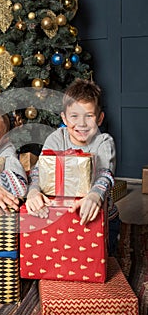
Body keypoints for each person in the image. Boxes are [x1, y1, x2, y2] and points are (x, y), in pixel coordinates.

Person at [26, 78, 121, 256]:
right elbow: (39, 170)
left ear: (99, 118)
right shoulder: (56, 138)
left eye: (89, 116)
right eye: (74, 116)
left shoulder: (103, 142)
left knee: (97, 260)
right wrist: (33, 191)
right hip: (61, 216)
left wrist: (95, 195)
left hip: (99, 217)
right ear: (64, 118)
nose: (82, 123)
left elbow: (105, 175)